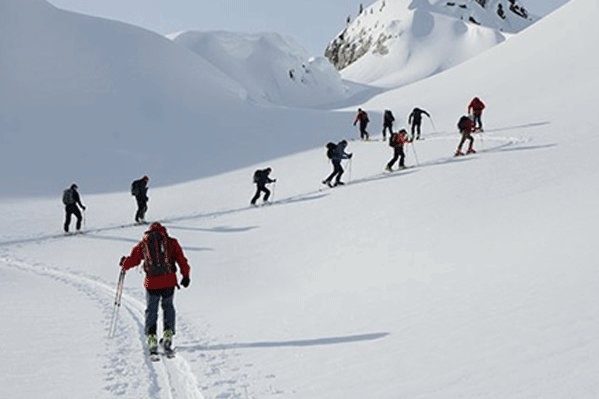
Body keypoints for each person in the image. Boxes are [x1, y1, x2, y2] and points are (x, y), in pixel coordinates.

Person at [119, 222, 191, 356]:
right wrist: (186, 275)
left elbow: (134, 259)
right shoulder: (171, 242)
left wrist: (124, 263)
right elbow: (182, 259)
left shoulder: (144, 243)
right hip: (169, 281)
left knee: (151, 310)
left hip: (152, 283)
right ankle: (168, 335)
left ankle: (151, 337)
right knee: (168, 307)